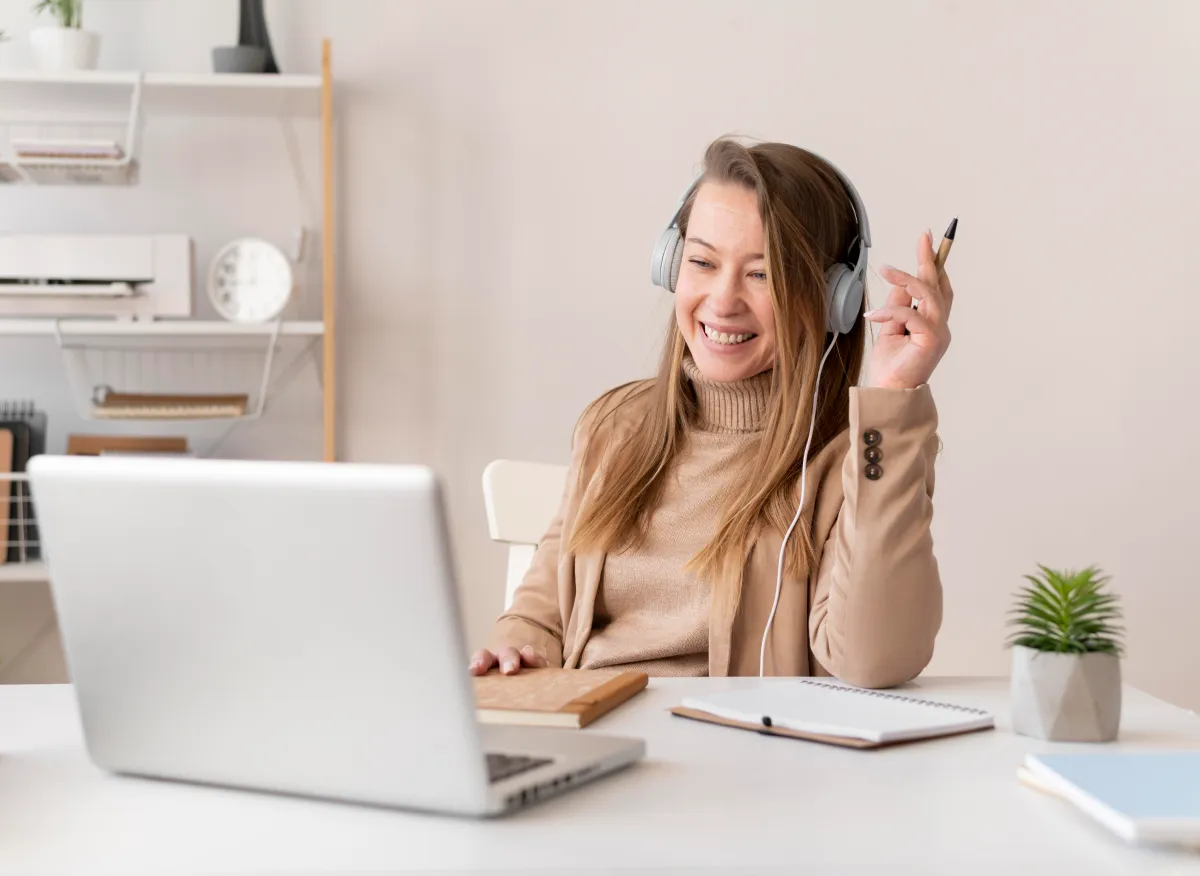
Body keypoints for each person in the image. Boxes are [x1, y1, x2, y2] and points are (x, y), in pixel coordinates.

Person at [470, 136, 953, 686]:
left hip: (734, 756)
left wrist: (892, 396)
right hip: (597, 733)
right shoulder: (614, 427)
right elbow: (543, 607)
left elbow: (875, 660)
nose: (722, 301)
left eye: (763, 273)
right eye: (701, 261)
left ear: (831, 298)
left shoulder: (856, 456)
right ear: (670, 264)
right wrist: (518, 642)